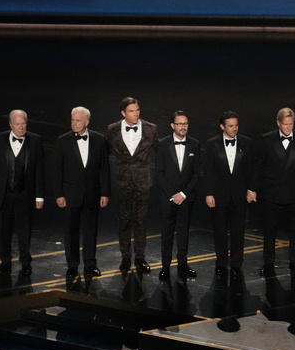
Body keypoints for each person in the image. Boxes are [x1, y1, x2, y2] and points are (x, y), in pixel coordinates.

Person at [251, 107, 295, 277]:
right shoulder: (267, 139)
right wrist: (252, 188)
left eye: (291, 124)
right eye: (285, 124)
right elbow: (259, 166)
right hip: (272, 193)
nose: (288, 128)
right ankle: (268, 263)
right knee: (270, 230)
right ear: (278, 123)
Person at [51, 106, 110, 277]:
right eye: (72, 120)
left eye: (78, 120)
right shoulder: (62, 140)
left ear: (87, 122)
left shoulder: (99, 140)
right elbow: (57, 171)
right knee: (71, 231)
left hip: (93, 194)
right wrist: (59, 194)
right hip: (70, 195)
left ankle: (90, 264)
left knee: (91, 231)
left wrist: (105, 193)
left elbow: (104, 169)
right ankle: (72, 265)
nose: (74, 123)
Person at [0, 109, 45, 277]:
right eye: (17, 124)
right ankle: (5, 262)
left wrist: (39, 195)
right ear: (10, 124)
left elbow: (40, 170)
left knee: (25, 230)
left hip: (25, 194)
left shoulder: (35, 140)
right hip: (4, 193)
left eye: (23, 123)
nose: (21, 127)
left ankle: (25, 262)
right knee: (4, 229)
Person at [105, 97, 157, 274]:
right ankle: (125, 257)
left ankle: (140, 258)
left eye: (137, 110)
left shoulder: (151, 128)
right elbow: (104, 154)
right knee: (124, 220)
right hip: (123, 181)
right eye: (132, 111)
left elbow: (162, 151)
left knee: (141, 221)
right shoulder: (112, 130)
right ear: (123, 113)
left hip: (143, 182)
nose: (136, 114)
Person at [203, 110, 253, 279]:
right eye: (231, 126)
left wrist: (251, 189)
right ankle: (221, 263)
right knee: (220, 232)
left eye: (236, 125)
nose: (234, 129)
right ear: (222, 126)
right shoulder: (212, 144)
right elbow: (208, 170)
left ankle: (237, 264)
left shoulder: (246, 143)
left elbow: (250, 170)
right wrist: (209, 193)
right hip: (219, 195)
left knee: (239, 231)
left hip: (239, 195)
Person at [155, 111, 201, 280]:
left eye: (185, 123)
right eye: (180, 124)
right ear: (172, 125)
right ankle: (165, 266)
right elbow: (159, 173)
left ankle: (183, 265)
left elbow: (196, 173)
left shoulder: (195, 145)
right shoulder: (162, 144)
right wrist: (173, 195)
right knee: (166, 233)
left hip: (186, 197)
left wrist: (183, 194)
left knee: (184, 233)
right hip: (168, 198)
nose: (183, 127)